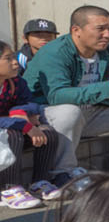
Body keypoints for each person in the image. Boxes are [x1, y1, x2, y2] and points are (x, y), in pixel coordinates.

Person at [27, 5, 109, 184]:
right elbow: (56, 96)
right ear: (76, 30)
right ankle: (62, 173)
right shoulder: (55, 52)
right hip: (47, 117)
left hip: (89, 113)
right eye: (100, 29)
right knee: (69, 111)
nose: (107, 34)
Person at [0, 42, 63, 205]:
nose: (15, 62)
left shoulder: (15, 82)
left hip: (8, 128)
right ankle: (9, 189)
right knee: (12, 135)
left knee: (47, 132)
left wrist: (19, 111)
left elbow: (31, 103)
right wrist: (22, 124)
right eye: (8, 58)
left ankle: (39, 183)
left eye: (14, 57)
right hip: (7, 133)